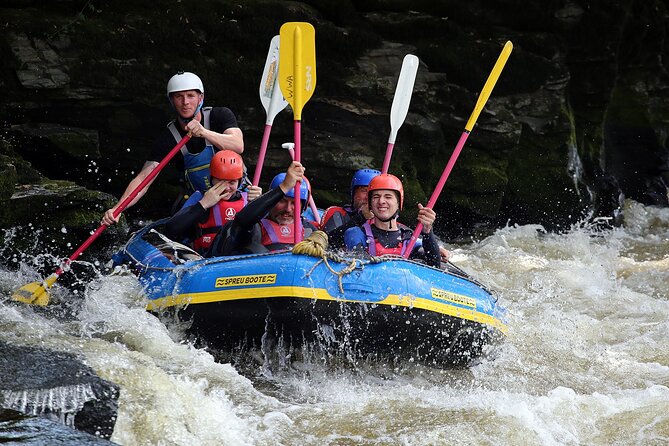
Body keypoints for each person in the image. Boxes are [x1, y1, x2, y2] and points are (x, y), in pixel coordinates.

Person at [102, 71, 244, 226]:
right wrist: (118, 208)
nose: (185, 102)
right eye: (179, 97)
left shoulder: (220, 115)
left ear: (200, 98)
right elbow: (144, 179)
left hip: (237, 196)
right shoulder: (168, 138)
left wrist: (204, 132)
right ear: (171, 101)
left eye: (190, 96)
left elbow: (238, 145)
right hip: (203, 204)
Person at [162, 150, 261, 255]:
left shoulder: (249, 199)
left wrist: (259, 204)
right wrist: (203, 204)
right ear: (211, 179)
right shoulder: (199, 198)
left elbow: (262, 237)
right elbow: (170, 230)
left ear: (240, 182)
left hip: (237, 261)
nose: (226, 188)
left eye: (232, 182)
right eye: (220, 181)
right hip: (205, 261)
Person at [210, 161, 319, 256]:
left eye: (294, 203)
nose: (288, 209)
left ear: (303, 207)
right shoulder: (253, 227)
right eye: (282, 201)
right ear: (271, 200)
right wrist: (284, 187)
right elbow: (241, 221)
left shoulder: (310, 230)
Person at [344, 173, 441, 267]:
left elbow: (434, 266)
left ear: (399, 203)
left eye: (388, 197)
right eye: (376, 197)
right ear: (370, 203)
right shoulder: (357, 234)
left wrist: (428, 232)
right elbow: (359, 270)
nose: (381, 201)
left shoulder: (409, 239)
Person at [320, 168, 380, 249]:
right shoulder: (338, 215)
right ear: (353, 193)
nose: (368, 197)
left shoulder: (391, 225)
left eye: (373, 193)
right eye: (364, 191)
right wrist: (361, 217)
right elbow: (327, 243)